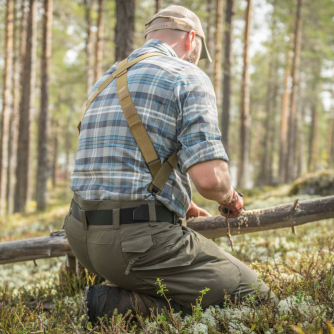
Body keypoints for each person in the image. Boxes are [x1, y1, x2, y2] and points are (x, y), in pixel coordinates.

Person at [64, 5, 277, 324]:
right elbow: (209, 180)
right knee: (260, 300)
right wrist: (230, 198)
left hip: (82, 236)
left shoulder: (105, 79)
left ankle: (121, 298)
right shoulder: (187, 75)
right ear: (192, 39)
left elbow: (122, 161)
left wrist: (181, 202)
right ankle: (118, 306)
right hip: (136, 245)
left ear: (149, 36)